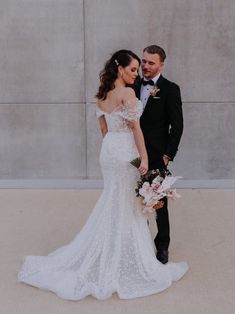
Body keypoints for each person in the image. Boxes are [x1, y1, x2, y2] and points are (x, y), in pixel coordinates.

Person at [18, 49, 188, 300]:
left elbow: (103, 129)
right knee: (129, 203)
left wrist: (121, 149)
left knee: (115, 199)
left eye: (145, 65)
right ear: (120, 69)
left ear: (161, 64)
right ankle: (130, 256)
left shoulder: (102, 94)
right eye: (134, 67)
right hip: (129, 153)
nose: (138, 71)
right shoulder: (129, 91)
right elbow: (136, 129)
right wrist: (141, 158)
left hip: (109, 152)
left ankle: (130, 248)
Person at [134, 45, 184, 264]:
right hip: (131, 154)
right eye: (144, 61)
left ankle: (162, 246)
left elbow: (178, 126)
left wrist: (168, 155)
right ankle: (139, 243)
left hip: (156, 155)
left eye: (151, 63)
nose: (145, 66)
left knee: (158, 203)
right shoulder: (132, 85)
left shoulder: (171, 89)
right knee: (134, 201)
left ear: (161, 64)